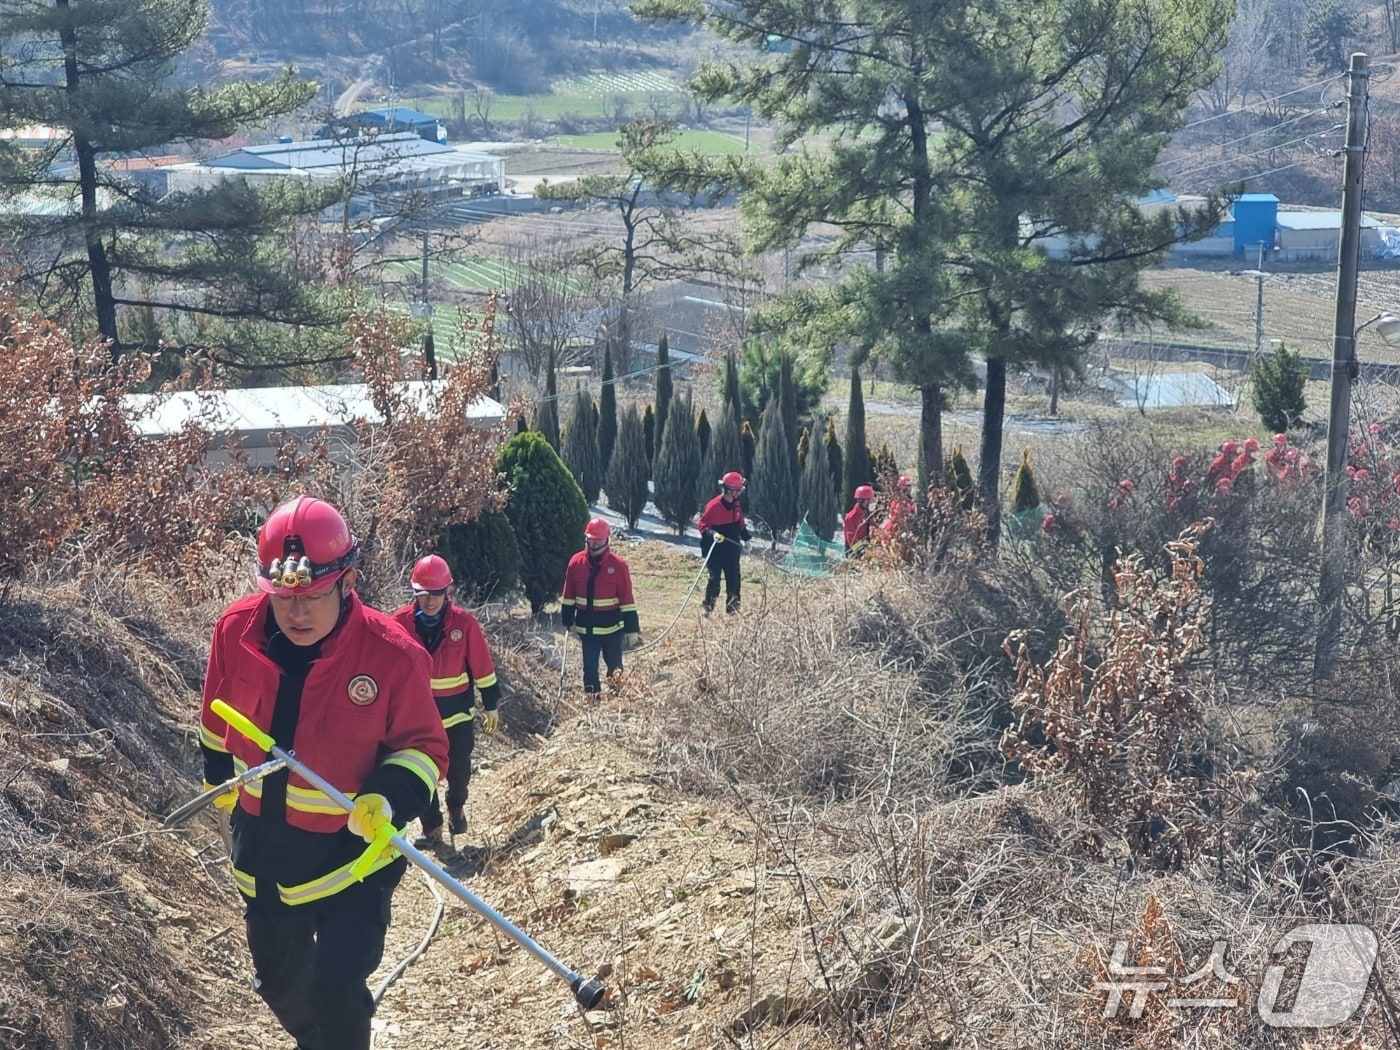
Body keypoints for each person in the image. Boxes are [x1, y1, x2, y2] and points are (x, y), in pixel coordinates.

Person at [198, 495, 447, 1050]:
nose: (297, 613)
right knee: (280, 985)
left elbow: (425, 748)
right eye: (284, 598)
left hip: (353, 858)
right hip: (265, 854)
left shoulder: (393, 657)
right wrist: (216, 781)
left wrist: (387, 799)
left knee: (337, 988)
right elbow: (214, 721)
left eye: (311, 597)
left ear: (347, 581)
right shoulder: (233, 634)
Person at [390, 554, 501, 848]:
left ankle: (456, 805)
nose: (430, 601)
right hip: (417, 718)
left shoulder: (464, 624)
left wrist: (492, 703)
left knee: (459, 772)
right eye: (424, 594)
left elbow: (482, 666)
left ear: (446, 592)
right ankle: (432, 826)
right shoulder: (399, 623)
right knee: (421, 773)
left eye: (436, 594)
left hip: (457, 716)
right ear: (416, 592)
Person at [560, 517, 641, 695]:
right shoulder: (576, 563)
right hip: (587, 631)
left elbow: (627, 599)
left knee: (615, 668)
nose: (595, 544)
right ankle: (592, 702)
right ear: (586, 539)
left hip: (612, 630)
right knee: (589, 670)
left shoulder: (619, 566)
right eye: (592, 540)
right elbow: (568, 595)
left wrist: (632, 629)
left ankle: (617, 702)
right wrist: (567, 620)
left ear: (608, 540)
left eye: (599, 540)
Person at [697, 471, 752, 614]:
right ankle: (708, 608)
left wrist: (746, 538)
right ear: (731, 491)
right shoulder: (714, 506)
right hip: (715, 550)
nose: (740, 493)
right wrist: (713, 534)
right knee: (714, 580)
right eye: (738, 490)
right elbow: (703, 525)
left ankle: (733, 609)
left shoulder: (736, 504)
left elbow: (740, 523)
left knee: (734, 579)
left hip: (732, 550)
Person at [844, 484, 876, 555]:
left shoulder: (869, 514)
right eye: (871, 500)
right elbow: (853, 541)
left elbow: (874, 531)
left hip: (869, 551)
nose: (873, 503)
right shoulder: (851, 517)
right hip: (855, 554)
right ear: (865, 501)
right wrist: (863, 553)